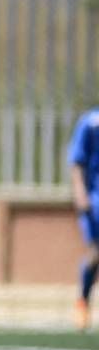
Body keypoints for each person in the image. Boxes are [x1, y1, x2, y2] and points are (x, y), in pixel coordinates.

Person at [68, 107, 99, 331]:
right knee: (95, 252)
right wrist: (80, 192)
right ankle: (83, 301)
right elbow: (77, 160)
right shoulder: (90, 121)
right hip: (94, 200)